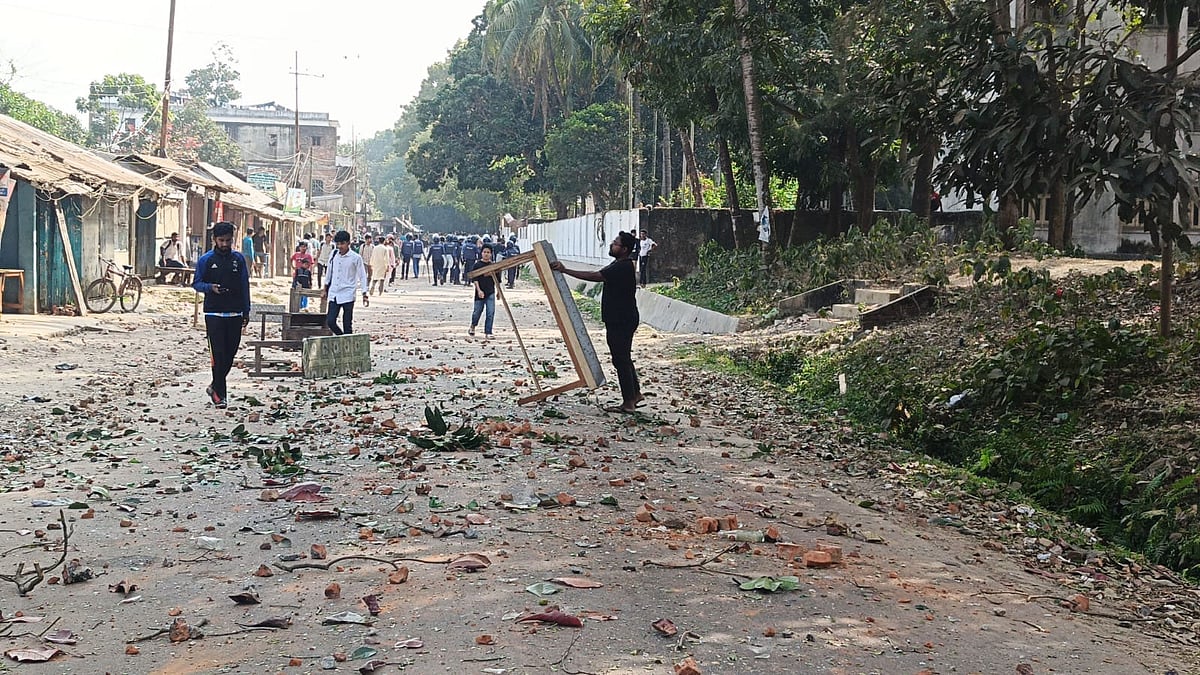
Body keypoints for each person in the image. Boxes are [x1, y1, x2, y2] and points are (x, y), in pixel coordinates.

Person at [551, 231, 643, 413]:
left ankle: (628, 403)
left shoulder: (622, 267)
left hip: (621, 319)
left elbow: (595, 276)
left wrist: (565, 270)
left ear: (624, 249)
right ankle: (635, 394)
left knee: (621, 359)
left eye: (616, 243)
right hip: (622, 318)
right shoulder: (620, 263)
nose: (612, 244)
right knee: (623, 358)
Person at [193, 222, 251, 409]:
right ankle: (220, 395)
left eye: (228, 240)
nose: (225, 244)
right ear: (214, 240)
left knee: (230, 355)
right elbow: (196, 283)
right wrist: (210, 288)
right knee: (218, 354)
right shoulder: (205, 260)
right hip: (213, 313)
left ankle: (214, 385)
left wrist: (246, 310)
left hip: (235, 312)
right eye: (221, 240)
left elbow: (245, 286)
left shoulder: (239, 259)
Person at [322, 230, 369, 335]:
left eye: (342, 243)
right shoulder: (333, 255)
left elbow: (362, 276)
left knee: (347, 323)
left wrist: (364, 293)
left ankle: (348, 345)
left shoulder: (356, 258)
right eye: (338, 244)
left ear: (348, 243)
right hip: (334, 292)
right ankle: (342, 338)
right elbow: (329, 272)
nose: (340, 246)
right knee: (330, 321)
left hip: (348, 293)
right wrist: (324, 289)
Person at [468, 245, 498, 338]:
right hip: (480, 293)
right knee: (477, 312)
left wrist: (499, 292)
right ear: (481, 253)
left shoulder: (493, 266)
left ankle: (488, 332)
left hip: (490, 292)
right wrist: (479, 290)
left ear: (491, 254)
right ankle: (473, 326)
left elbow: (498, 280)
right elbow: (475, 279)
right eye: (484, 252)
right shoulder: (477, 265)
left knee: (490, 312)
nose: (486, 254)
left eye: (488, 252)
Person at [291, 241, 314, 309]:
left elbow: (312, 265)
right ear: (299, 247)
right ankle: (297, 305)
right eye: (301, 246)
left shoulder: (309, 256)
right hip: (298, 275)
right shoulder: (296, 254)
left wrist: (311, 274)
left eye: (304, 246)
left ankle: (305, 306)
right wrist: (293, 267)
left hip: (306, 276)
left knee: (305, 292)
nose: (303, 248)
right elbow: (291, 259)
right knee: (296, 290)